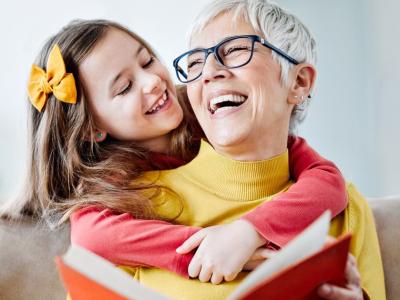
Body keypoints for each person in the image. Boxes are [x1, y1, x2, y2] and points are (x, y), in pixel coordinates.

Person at [0, 14, 363, 300]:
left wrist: (247, 232)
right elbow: (91, 236)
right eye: (125, 87)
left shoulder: (211, 110)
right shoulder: (116, 183)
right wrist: (205, 248)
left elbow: (327, 181)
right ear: (93, 129)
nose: (151, 82)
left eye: (148, 61)